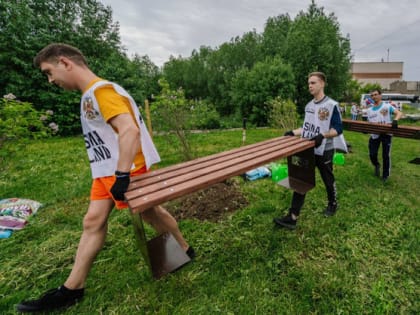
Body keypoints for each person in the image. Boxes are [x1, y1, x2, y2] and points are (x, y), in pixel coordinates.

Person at [17, 43, 195, 313]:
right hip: (105, 170)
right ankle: (72, 289)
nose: (51, 80)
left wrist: (122, 175)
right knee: (93, 221)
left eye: (49, 72)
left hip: (123, 170)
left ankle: (183, 248)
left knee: (151, 214)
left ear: (65, 63)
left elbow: (129, 131)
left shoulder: (102, 91)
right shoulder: (92, 93)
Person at [273, 72, 347, 230]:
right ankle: (292, 217)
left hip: (324, 150)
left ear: (322, 84)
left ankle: (333, 204)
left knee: (328, 178)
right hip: (307, 149)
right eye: (309, 83)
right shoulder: (309, 106)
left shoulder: (331, 105)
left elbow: (338, 129)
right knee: (301, 180)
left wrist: (323, 135)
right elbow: (306, 127)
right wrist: (293, 132)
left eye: (313, 83)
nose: (310, 86)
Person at [366, 89, 402, 182]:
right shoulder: (369, 110)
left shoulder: (387, 106)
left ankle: (385, 175)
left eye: (376, 94)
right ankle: (377, 164)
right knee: (372, 154)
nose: (374, 96)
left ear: (380, 95)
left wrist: (395, 120)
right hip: (374, 135)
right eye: (372, 95)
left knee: (386, 155)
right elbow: (369, 123)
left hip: (386, 134)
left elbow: (399, 113)